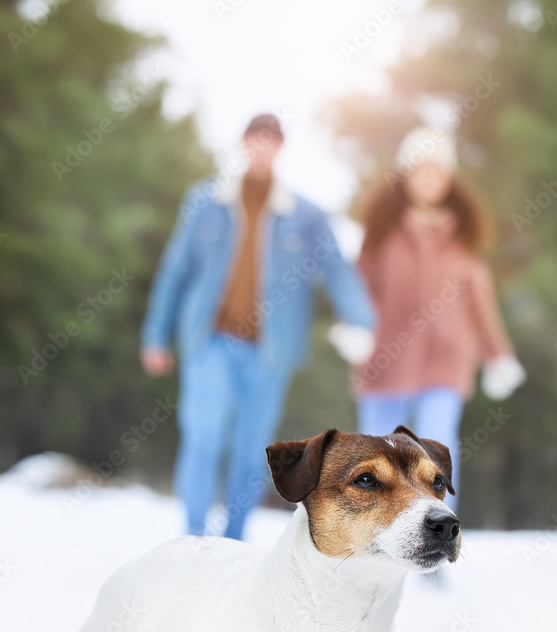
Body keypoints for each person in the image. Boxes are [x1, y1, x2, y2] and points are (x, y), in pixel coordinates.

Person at [140, 113, 375, 538]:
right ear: (243, 145)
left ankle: (233, 539)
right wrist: (155, 335)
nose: (261, 148)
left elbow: (337, 269)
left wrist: (359, 321)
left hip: (270, 351)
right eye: (254, 139)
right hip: (210, 340)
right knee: (204, 435)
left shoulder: (305, 215)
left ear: (279, 148)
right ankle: (193, 537)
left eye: (270, 141)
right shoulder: (205, 200)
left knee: (253, 452)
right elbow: (176, 270)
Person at [330, 127, 525, 509]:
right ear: (406, 176)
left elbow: (480, 304)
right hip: (385, 357)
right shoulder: (381, 232)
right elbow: (358, 287)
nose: (428, 180)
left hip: (445, 359)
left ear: (448, 179)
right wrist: (354, 325)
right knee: (377, 453)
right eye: (421, 170)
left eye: (436, 172)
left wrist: (498, 355)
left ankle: (438, 536)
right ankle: (377, 539)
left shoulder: (463, 239)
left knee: (435, 449)